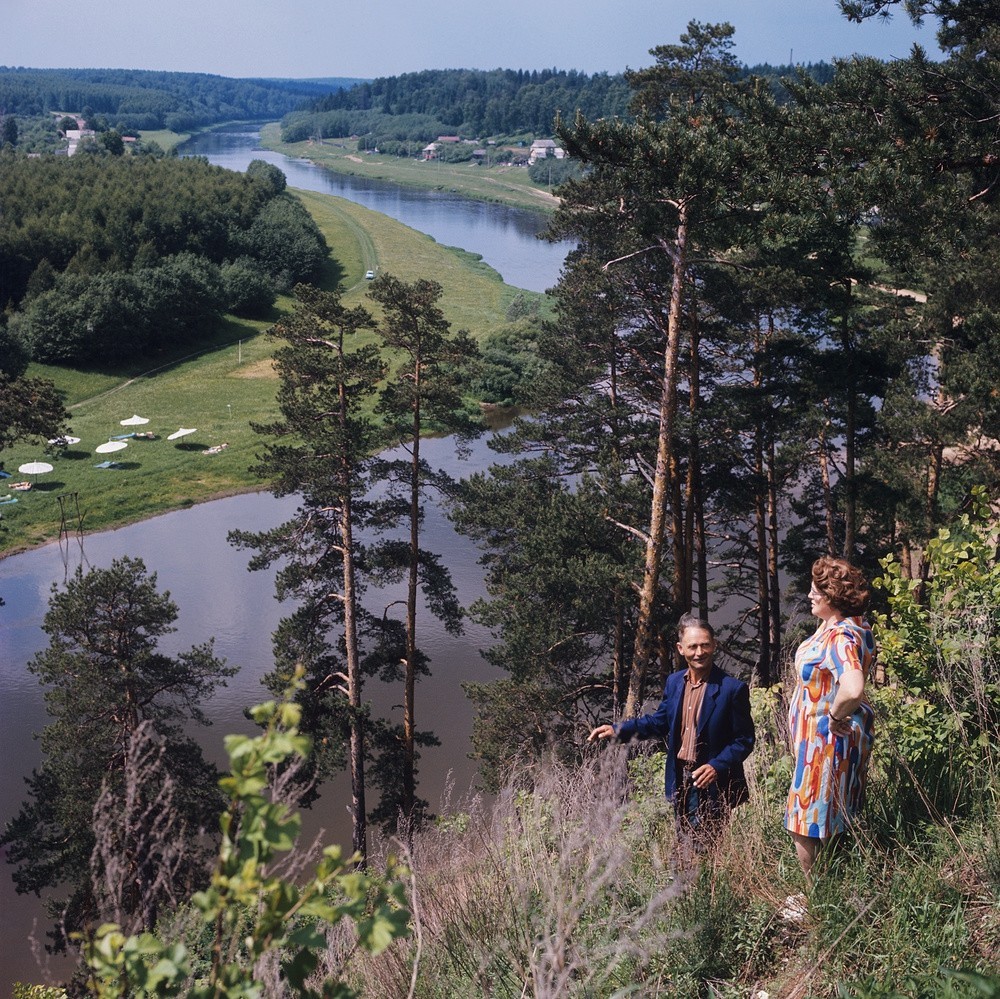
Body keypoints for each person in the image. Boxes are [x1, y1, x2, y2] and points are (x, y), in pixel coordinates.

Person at [589, 614, 755, 855]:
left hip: (713, 785)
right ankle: (691, 890)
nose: (700, 652)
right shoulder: (675, 682)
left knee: (703, 850)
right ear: (680, 649)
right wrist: (617, 730)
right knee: (685, 844)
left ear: (714, 645)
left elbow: (744, 740)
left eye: (705, 645)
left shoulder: (732, 689)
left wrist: (716, 766)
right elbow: (659, 723)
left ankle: (705, 890)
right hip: (680, 778)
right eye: (693, 646)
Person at [785, 556, 876, 878]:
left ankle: (816, 896)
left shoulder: (840, 636)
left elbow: (852, 688)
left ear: (832, 596)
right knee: (832, 814)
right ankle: (834, 884)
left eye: (816, 591)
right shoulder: (844, 628)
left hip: (823, 743)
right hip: (823, 744)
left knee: (804, 820)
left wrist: (834, 716)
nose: (809, 595)